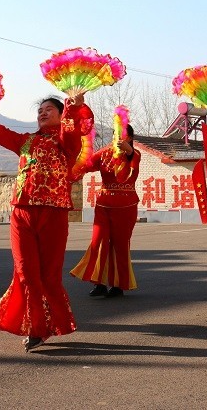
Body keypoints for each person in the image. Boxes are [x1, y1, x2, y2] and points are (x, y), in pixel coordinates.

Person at [0, 94, 93, 352]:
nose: (43, 113)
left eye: (49, 110)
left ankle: (49, 323)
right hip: (22, 212)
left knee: (48, 276)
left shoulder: (67, 142)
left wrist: (72, 107)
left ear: (60, 114)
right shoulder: (26, 142)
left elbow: (70, 131)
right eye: (40, 110)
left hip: (53, 214)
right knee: (25, 271)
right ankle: (36, 328)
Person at [70, 124, 140, 298]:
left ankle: (119, 285)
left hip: (126, 208)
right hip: (103, 206)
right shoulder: (104, 153)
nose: (118, 136)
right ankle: (98, 283)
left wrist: (128, 150)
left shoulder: (134, 154)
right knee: (98, 243)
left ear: (130, 138)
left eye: (122, 134)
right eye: (116, 133)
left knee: (120, 246)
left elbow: (133, 160)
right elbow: (85, 165)